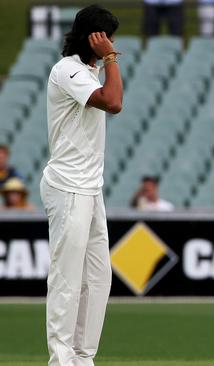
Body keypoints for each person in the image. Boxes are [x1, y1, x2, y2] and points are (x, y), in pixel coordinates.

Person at [41, 5, 122, 366]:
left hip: (90, 188)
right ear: (95, 37)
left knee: (97, 278)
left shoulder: (86, 71)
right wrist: (111, 59)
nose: (112, 43)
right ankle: (61, 360)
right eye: (108, 36)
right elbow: (113, 102)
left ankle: (82, 357)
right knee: (66, 279)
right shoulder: (67, 70)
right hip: (67, 186)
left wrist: (104, 62)